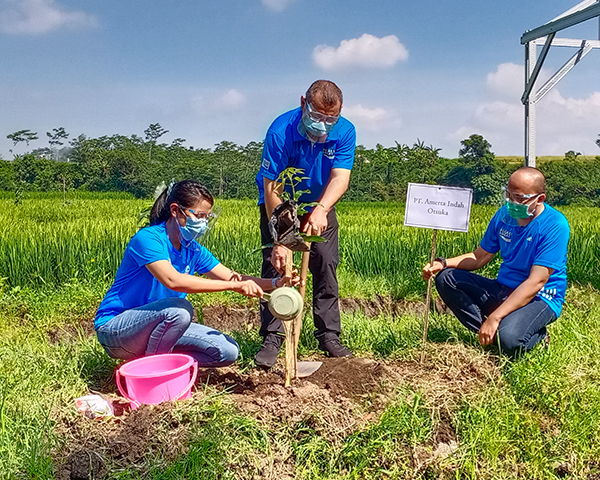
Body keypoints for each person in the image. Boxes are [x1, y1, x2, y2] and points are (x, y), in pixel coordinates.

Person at [95, 180, 297, 368]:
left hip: (159, 325)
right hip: (117, 329)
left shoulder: (193, 250)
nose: (203, 223)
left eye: (207, 217)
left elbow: (232, 277)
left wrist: (276, 282)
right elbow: (173, 280)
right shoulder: (148, 239)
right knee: (180, 310)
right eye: (199, 216)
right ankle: (153, 371)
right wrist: (234, 286)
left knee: (226, 351)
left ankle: (165, 362)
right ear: (176, 210)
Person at [254, 79, 357, 368]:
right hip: (282, 202)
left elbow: (340, 177)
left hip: (320, 203)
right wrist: (282, 239)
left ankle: (328, 335)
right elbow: (272, 186)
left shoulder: (345, 131)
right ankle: (273, 337)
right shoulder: (280, 131)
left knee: (325, 263)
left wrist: (322, 209)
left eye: (330, 118)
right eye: (317, 116)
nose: (324, 124)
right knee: (277, 266)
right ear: (303, 103)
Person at [423, 167, 570, 357]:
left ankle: (536, 337)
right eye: (508, 195)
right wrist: (442, 263)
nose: (511, 202)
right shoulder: (503, 216)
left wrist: (495, 316)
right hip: (503, 288)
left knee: (510, 341)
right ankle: (486, 333)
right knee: (447, 278)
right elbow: (479, 257)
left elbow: (537, 281)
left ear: (539, 199)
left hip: (540, 297)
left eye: (519, 198)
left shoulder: (555, 225)